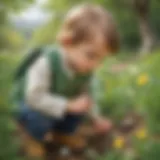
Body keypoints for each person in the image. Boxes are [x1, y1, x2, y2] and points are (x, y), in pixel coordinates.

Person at [13, 4, 119, 158]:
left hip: (58, 105)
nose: (95, 65)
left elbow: (88, 96)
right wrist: (68, 105)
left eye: (101, 59)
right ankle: (33, 137)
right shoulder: (46, 62)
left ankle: (61, 133)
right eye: (91, 56)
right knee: (39, 116)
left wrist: (96, 118)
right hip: (33, 105)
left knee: (81, 105)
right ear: (67, 43)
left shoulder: (85, 69)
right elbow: (33, 98)